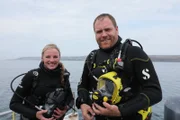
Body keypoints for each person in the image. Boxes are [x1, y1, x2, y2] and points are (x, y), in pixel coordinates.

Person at [76, 13, 162, 120]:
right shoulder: (92, 57)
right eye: (99, 31)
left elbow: (155, 92)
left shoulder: (134, 54)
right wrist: (83, 104)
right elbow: (82, 86)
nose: (103, 35)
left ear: (116, 29)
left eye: (107, 29)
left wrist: (121, 110)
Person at [9, 44, 74, 120]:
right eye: (48, 57)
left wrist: (64, 111)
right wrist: (35, 114)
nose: (52, 60)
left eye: (55, 57)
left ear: (59, 58)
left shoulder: (64, 75)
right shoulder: (32, 76)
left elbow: (70, 98)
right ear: (42, 58)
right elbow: (14, 104)